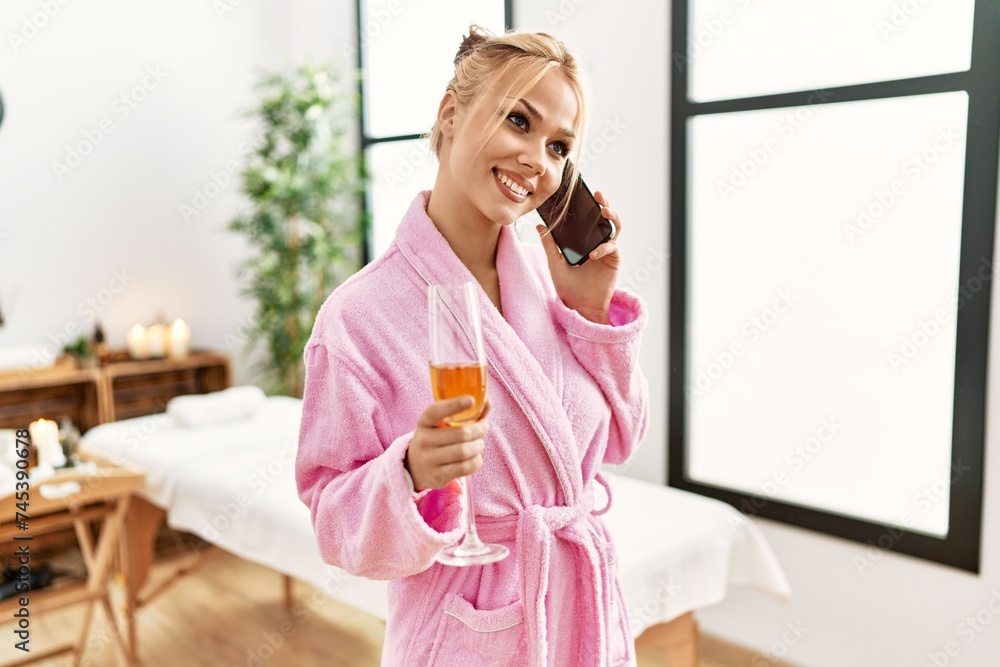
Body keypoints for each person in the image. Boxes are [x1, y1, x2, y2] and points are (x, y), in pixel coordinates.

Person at [295, 24, 649, 666]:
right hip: (466, 638)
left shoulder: (551, 279)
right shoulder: (357, 316)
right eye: (520, 121)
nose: (538, 161)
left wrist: (590, 310)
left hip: (580, 620)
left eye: (559, 146)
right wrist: (412, 472)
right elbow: (333, 521)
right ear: (451, 114)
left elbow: (621, 441)